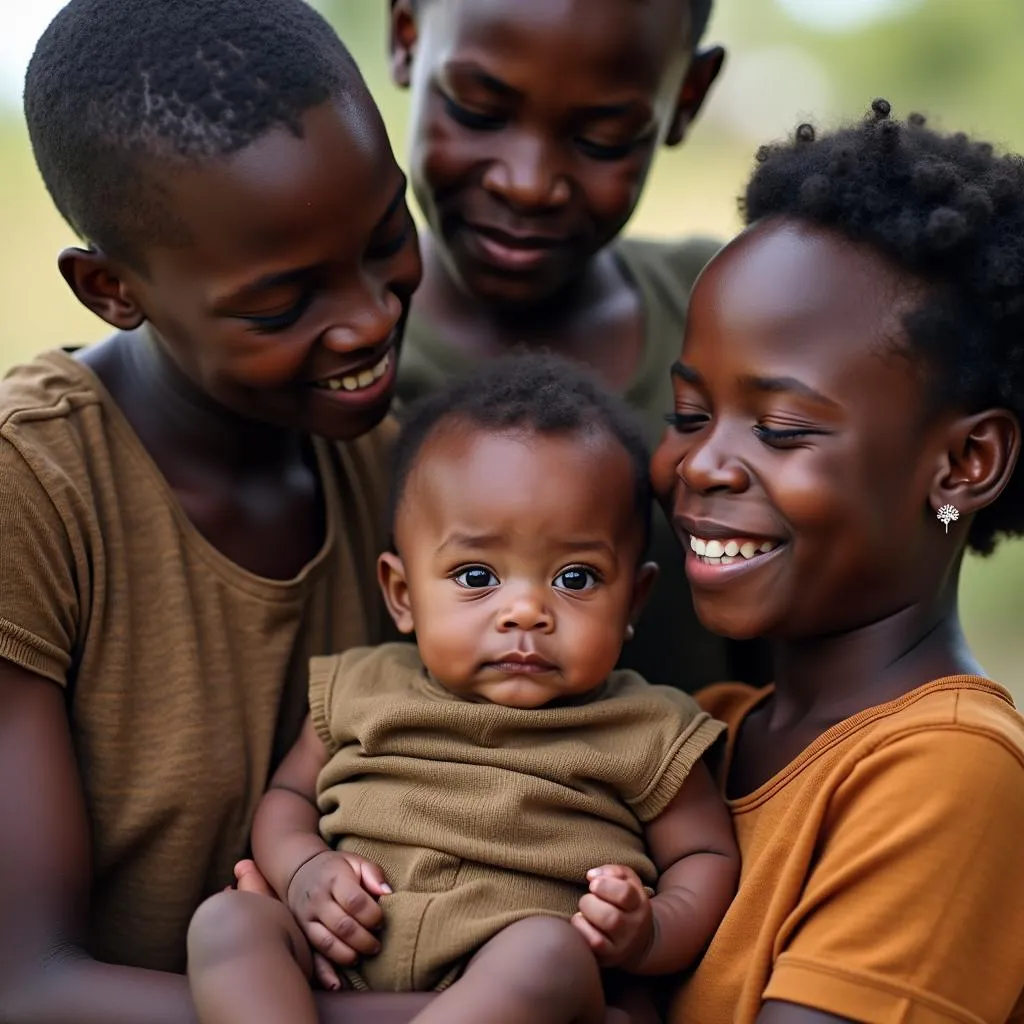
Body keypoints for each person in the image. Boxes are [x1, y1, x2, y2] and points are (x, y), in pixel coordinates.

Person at [0, 1, 475, 1021]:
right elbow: (25, 983)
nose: (369, 317)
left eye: (387, 235)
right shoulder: (31, 491)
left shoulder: (411, 474)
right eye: (280, 304)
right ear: (112, 289)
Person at [186, 355, 740, 1024]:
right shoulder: (360, 687)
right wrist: (303, 873)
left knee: (546, 953)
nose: (526, 612)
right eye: (477, 576)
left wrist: (649, 930)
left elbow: (705, 856)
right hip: (348, 948)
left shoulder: (650, 729)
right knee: (227, 923)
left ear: (634, 600)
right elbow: (288, 798)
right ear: (402, 594)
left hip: (521, 984)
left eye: (575, 579)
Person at [650, 100, 1024, 1023]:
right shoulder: (703, 736)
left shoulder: (949, 775)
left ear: (964, 463)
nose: (701, 462)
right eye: (690, 415)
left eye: (780, 428)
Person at [387, 0, 771, 692]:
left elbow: (919, 520)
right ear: (405, 35)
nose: (528, 183)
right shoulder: (332, 358)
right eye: (477, 110)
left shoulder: (733, 321)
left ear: (687, 97)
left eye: (601, 138)